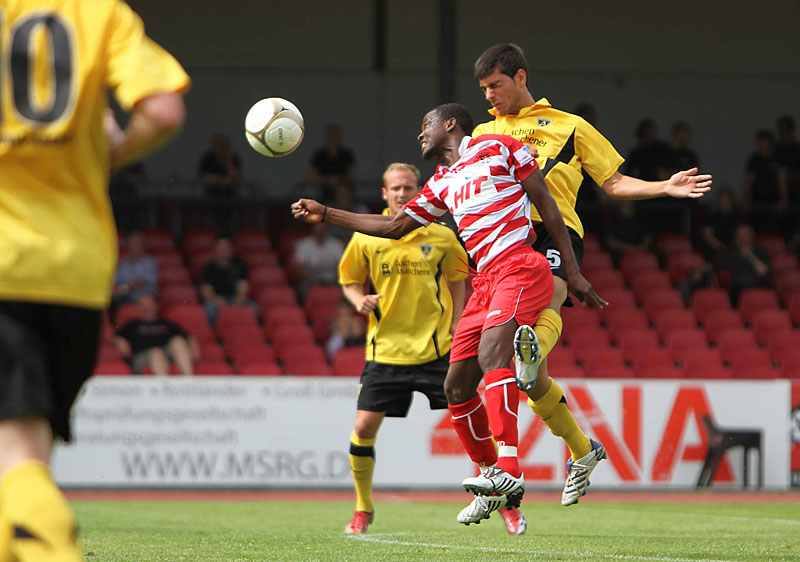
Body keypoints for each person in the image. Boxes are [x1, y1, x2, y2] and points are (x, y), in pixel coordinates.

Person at [293, 102, 604, 527]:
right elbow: (393, 227)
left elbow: (547, 205)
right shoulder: (441, 182)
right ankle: (491, 474)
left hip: (519, 263)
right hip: (484, 281)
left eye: (427, 125)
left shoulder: (500, 147)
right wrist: (327, 214)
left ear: (451, 124)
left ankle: (509, 468)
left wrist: (572, 270)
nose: (420, 133)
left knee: (494, 354)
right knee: (456, 386)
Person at [470, 43, 712, 515]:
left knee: (551, 297)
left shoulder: (570, 126)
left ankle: (529, 358)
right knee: (533, 384)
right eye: (483, 90)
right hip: (502, 240)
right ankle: (584, 450)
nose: (489, 96)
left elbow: (613, 182)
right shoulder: (483, 132)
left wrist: (664, 186)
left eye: (495, 85)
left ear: (520, 77)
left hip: (554, 232)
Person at [0, 2, 189, 560]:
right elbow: (163, 111)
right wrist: (114, 151)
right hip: (76, 268)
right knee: (24, 452)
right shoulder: (98, 11)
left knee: (15, 456)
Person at [338, 162, 467, 534]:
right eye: (395, 188)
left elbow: (458, 278)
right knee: (363, 428)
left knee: (474, 422)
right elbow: (349, 279)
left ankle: (504, 500)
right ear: (384, 193)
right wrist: (357, 300)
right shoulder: (367, 234)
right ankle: (363, 509)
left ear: (419, 191)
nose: (401, 193)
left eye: (408, 187)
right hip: (386, 352)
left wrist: (458, 320)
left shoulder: (441, 234)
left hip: (436, 350)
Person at [114, 295, 198, 375]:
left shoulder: (166, 323)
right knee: (156, 353)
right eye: (143, 305)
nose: (146, 308)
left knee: (178, 341)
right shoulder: (133, 324)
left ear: (156, 306)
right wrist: (119, 341)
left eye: (149, 305)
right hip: (142, 357)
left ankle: (188, 380)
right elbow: (114, 336)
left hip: (166, 354)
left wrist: (193, 347)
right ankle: (164, 384)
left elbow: (187, 336)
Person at [201, 235, 257, 324]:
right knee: (209, 309)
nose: (224, 249)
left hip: (236, 299)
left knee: (253, 307)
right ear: (215, 248)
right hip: (217, 300)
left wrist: (236, 303)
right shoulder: (208, 268)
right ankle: (215, 332)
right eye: (221, 246)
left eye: (227, 246)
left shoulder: (240, 265)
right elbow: (206, 291)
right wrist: (217, 301)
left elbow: (243, 289)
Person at [716, 224, 771, 306]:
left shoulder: (760, 252)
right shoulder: (729, 253)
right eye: (740, 235)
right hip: (736, 292)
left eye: (745, 235)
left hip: (757, 289)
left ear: (752, 237)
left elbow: (764, 272)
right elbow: (721, 272)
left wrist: (750, 256)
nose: (743, 238)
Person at [742, 130, 785, 232]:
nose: (762, 146)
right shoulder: (754, 160)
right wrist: (745, 199)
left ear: (770, 144)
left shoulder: (778, 158)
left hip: (774, 202)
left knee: (775, 228)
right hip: (757, 202)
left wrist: (784, 199)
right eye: (760, 143)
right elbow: (748, 181)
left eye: (765, 143)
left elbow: (782, 179)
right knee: (756, 229)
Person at [111, 231, 159, 316]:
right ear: (128, 245)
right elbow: (115, 282)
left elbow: (139, 281)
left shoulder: (150, 262)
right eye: (133, 243)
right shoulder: (123, 264)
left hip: (145, 298)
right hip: (125, 299)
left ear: (143, 245)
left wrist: (123, 289)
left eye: (138, 243)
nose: (136, 246)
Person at [294, 222, 346, 300]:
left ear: (327, 228)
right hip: (310, 281)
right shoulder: (304, 245)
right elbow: (301, 267)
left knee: (345, 291)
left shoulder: (336, 245)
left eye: (323, 227)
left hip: (332, 280)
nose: (321, 229)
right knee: (302, 290)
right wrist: (313, 281)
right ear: (313, 227)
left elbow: (341, 266)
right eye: (318, 226)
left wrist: (334, 281)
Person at [200, 133, 241, 230]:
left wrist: (227, 159)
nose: (219, 148)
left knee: (229, 225)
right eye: (217, 145)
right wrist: (221, 180)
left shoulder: (233, 158)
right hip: (211, 198)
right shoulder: (208, 158)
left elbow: (234, 176)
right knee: (210, 226)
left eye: (222, 145)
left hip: (229, 200)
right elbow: (204, 176)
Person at [310, 124, 357, 203]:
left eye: (337, 137)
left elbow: (351, 174)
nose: (334, 140)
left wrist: (339, 180)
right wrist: (328, 180)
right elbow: (313, 176)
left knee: (343, 191)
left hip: (344, 190)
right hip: (324, 192)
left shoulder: (346, 154)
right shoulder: (319, 155)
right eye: (332, 137)